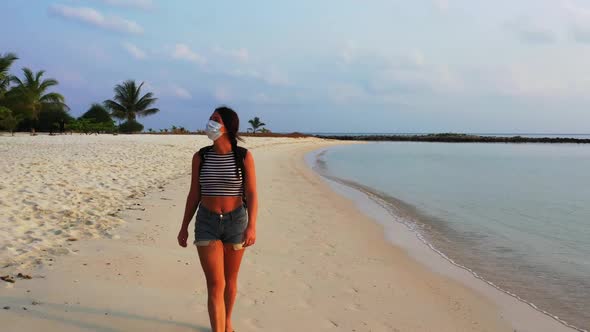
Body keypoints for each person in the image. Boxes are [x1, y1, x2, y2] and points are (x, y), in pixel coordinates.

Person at [177, 106, 258, 332]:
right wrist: (183, 227)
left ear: (228, 127)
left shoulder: (243, 156)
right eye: (210, 118)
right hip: (207, 222)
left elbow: (251, 193)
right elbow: (194, 193)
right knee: (216, 284)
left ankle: (227, 321)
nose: (210, 123)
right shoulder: (201, 156)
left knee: (230, 281)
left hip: (236, 222)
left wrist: (252, 225)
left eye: (216, 119)